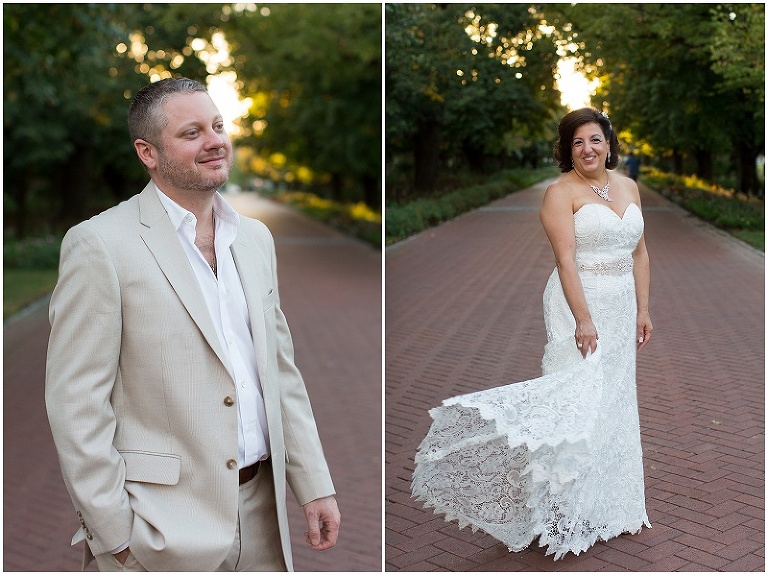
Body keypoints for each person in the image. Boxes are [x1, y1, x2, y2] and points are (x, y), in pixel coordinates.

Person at [45, 77, 340, 572]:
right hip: (159, 530)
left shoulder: (254, 239)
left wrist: (314, 485)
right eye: (191, 132)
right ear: (148, 152)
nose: (214, 141)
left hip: (263, 520)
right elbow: (76, 402)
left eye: (218, 126)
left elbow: (280, 373)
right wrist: (115, 533)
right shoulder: (100, 245)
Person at [412, 107, 652, 560]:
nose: (588, 149)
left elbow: (639, 253)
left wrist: (643, 308)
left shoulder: (629, 187)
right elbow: (565, 261)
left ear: (609, 144)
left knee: (614, 400)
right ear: (567, 150)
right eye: (578, 142)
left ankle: (609, 505)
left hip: (621, 307)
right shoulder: (560, 193)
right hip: (579, 302)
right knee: (574, 400)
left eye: (595, 140)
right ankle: (563, 509)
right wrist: (583, 319)